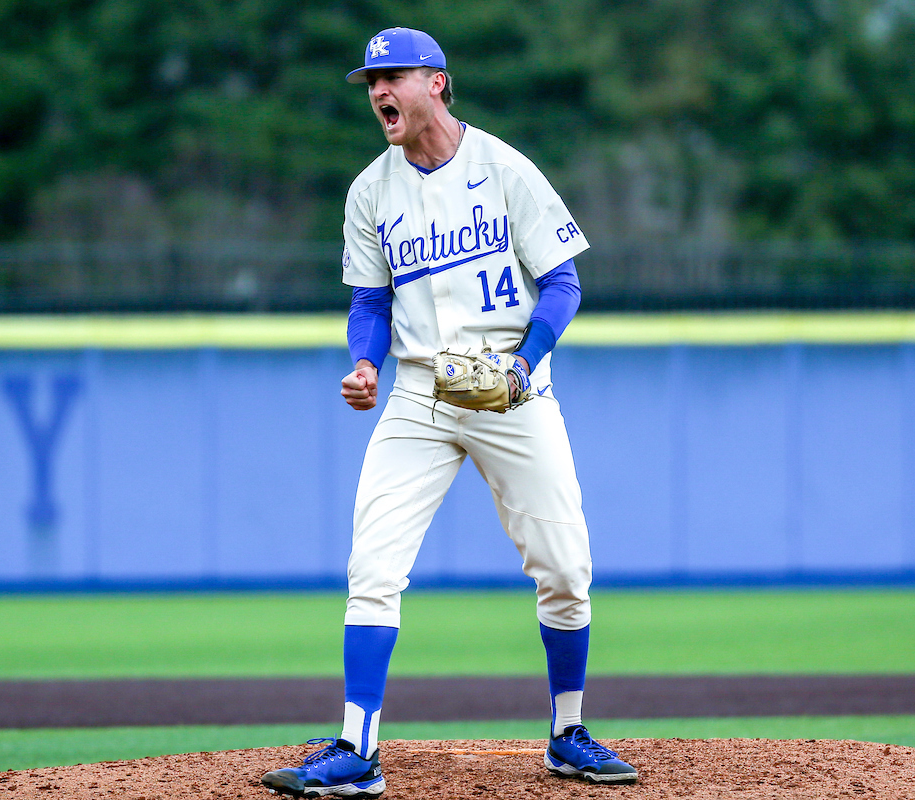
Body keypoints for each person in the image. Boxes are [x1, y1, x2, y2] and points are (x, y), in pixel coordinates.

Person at [260, 26, 637, 799]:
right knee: (373, 564)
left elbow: (562, 283)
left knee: (566, 569)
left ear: (436, 81)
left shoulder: (503, 168)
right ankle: (356, 749)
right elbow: (370, 302)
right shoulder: (370, 191)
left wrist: (524, 363)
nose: (377, 92)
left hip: (511, 389)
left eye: (391, 76)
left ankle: (568, 732)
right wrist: (365, 360)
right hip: (421, 392)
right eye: (369, 81)